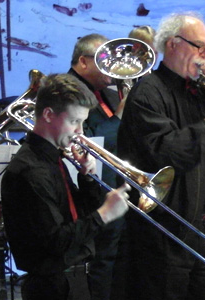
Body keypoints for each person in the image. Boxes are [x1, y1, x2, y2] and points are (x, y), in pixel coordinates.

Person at [115, 11, 205, 300]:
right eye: (199, 46)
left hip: (202, 228)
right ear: (174, 44)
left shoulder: (202, 92)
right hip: (165, 232)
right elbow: (167, 152)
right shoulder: (147, 92)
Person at [1, 73, 131, 300]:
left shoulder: (53, 158)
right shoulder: (31, 169)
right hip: (52, 286)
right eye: (74, 121)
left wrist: (87, 178)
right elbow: (57, 241)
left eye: (82, 122)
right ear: (49, 115)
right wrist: (104, 214)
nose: (80, 131)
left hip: (74, 280)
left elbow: (79, 216)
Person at [69, 33, 125, 300]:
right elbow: (89, 141)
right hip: (90, 190)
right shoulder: (70, 90)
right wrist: (123, 115)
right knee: (103, 260)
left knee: (116, 259)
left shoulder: (107, 92)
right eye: (105, 61)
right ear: (83, 61)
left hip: (112, 184)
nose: (112, 68)